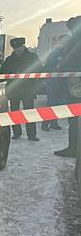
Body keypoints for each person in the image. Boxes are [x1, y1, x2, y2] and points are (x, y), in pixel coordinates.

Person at [1, 37, 43, 142]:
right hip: (14, 89)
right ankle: (17, 132)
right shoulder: (9, 60)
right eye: (15, 48)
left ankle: (32, 134)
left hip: (28, 89)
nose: (18, 50)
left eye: (19, 47)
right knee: (15, 112)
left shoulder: (32, 57)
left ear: (23, 46)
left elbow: (39, 70)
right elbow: (3, 73)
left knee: (29, 112)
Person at [54, 16, 81, 158]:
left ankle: (73, 149)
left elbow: (67, 62)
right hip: (75, 84)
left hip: (76, 86)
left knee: (75, 119)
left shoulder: (74, 42)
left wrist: (60, 70)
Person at [42, 34, 71, 131]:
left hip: (62, 81)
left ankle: (54, 123)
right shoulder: (55, 53)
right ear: (60, 41)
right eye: (64, 40)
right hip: (53, 81)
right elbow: (48, 67)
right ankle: (45, 123)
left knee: (58, 103)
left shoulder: (66, 52)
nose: (66, 42)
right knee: (51, 103)